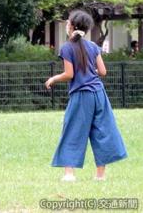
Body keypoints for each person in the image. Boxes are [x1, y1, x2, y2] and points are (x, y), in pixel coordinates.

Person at [45, 10, 127, 182]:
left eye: (67, 22)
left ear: (73, 26)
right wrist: (90, 72)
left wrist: (53, 78)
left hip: (82, 96)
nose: (67, 25)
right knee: (102, 131)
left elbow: (69, 74)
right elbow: (103, 71)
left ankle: (69, 174)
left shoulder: (67, 47)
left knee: (73, 130)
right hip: (99, 94)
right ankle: (100, 175)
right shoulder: (92, 46)